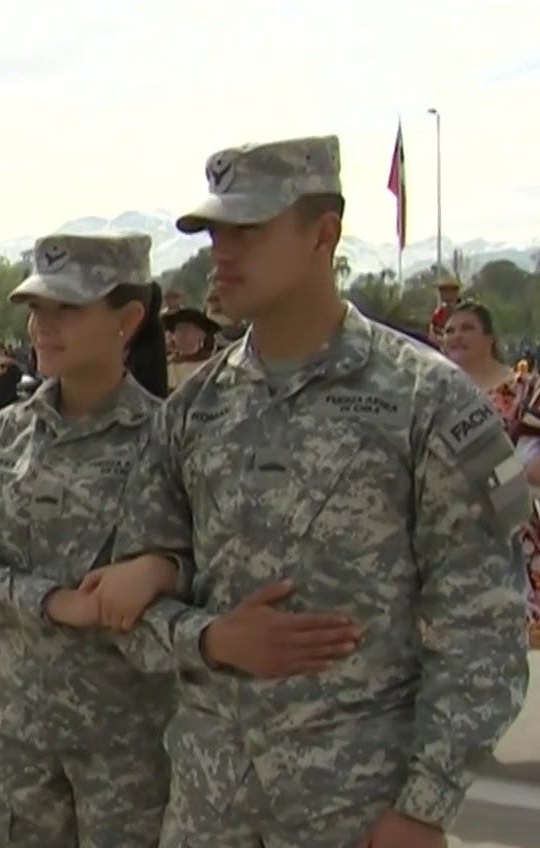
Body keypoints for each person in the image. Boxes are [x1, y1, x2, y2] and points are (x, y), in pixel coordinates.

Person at [94, 135, 529, 846]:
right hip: (210, 810)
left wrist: (424, 804)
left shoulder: (430, 402)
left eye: (248, 230)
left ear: (323, 233)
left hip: (355, 812)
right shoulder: (193, 411)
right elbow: (123, 606)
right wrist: (214, 641)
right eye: (213, 233)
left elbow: (485, 626)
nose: (221, 253)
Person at [0, 232, 172, 847]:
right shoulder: (2, 438)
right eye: (37, 308)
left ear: (128, 319)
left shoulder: (172, 442)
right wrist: (46, 600)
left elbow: (209, 573)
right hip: (22, 747)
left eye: (68, 308)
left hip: (131, 752)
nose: (43, 326)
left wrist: (161, 571)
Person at [440, 300, 540, 649]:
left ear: (490, 338)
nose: (455, 336)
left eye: (467, 328)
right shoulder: (432, 394)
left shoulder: (525, 388)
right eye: (450, 330)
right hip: (447, 532)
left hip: (513, 529)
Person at [162, 306, 221, 391]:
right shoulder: (165, 365)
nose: (182, 334)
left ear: (201, 334)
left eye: (187, 329)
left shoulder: (212, 366)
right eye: (179, 329)